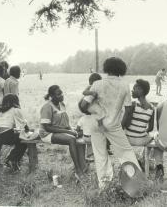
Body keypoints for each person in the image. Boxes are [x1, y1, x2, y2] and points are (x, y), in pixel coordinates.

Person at [85, 57, 141, 189]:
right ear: (122, 69)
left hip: (96, 123)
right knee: (126, 153)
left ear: (106, 68)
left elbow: (85, 104)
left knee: (100, 154)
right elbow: (128, 109)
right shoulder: (124, 84)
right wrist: (121, 126)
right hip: (113, 124)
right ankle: (136, 185)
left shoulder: (97, 84)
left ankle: (104, 185)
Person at [39, 85, 87, 180]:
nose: (61, 95)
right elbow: (47, 128)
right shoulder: (47, 107)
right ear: (52, 96)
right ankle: (78, 170)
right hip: (48, 133)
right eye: (58, 94)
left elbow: (65, 122)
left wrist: (72, 130)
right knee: (71, 139)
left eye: (61, 93)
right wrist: (68, 132)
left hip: (61, 130)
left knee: (81, 133)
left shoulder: (62, 104)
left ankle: (83, 166)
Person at [0, 94, 29, 171]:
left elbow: (1, 124)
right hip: (7, 134)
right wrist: (27, 130)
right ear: (16, 102)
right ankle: (12, 159)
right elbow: (23, 124)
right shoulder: (16, 110)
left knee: (1, 141)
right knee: (24, 142)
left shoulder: (1, 111)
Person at [124, 79, 154, 146]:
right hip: (141, 140)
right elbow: (151, 128)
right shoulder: (152, 108)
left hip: (128, 139)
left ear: (141, 90)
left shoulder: (133, 105)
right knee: (152, 137)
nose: (132, 91)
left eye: (134, 89)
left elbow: (127, 125)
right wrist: (140, 132)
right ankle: (144, 155)